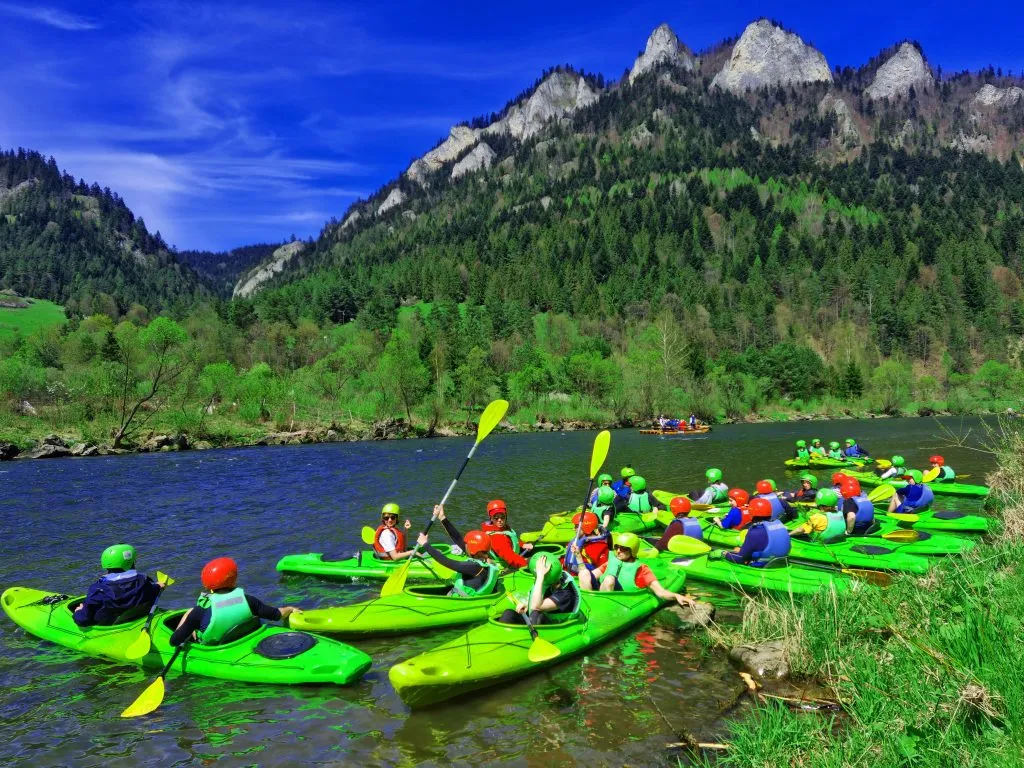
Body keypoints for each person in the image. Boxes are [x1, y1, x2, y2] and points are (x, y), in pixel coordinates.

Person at [170, 558, 300, 646]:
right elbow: (277, 614)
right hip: (243, 637)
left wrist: (189, 620)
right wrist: (290, 609)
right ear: (233, 580)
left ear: (207, 585)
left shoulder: (200, 611)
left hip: (216, 645)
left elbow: (175, 641)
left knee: (190, 612)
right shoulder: (248, 600)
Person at [579, 533, 696, 608]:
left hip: (615, 601)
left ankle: (600, 608)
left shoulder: (642, 570)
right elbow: (590, 576)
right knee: (583, 573)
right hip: (596, 597)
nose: (618, 551)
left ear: (632, 551)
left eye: (623, 548)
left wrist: (676, 596)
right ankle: (587, 604)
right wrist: (578, 557)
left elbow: (660, 592)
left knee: (609, 579)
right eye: (616, 547)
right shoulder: (611, 562)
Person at [74, 544, 166, 627]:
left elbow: (83, 620)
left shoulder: (98, 590)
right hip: (136, 617)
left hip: (109, 624)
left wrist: (78, 611)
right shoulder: (145, 582)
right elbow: (153, 590)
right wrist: (158, 585)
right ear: (132, 562)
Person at [417, 513, 501, 597]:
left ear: (473, 548)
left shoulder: (473, 567)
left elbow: (446, 561)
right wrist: (442, 518)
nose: (464, 545)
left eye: (466, 544)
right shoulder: (485, 562)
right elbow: (458, 539)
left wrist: (425, 544)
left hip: (463, 602)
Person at [439, 499, 533, 569]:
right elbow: (512, 558)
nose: (499, 520)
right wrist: (531, 564)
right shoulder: (497, 539)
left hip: (511, 557)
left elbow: (512, 540)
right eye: (496, 518)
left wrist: (522, 544)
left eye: (502, 517)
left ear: (506, 516)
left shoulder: (503, 529)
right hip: (504, 566)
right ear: (491, 518)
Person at [498, 552, 580, 626]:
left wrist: (540, 576)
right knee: (508, 614)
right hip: (538, 621)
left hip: (554, 626)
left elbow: (536, 607)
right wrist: (526, 607)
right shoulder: (551, 582)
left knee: (536, 615)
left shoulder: (565, 594)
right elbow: (535, 603)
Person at [720, 518, 792, 566]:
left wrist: (724, 554)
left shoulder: (755, 532)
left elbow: (740, 558)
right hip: (782, 563)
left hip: (761, 565)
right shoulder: (780, 526)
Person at [564, 511, 610, 576]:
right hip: (570, 571)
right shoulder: (578, 539)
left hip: (585, 576)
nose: (573, 529)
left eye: (576, 526)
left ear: (586, 527)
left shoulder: (598, 546)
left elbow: (603, 568)